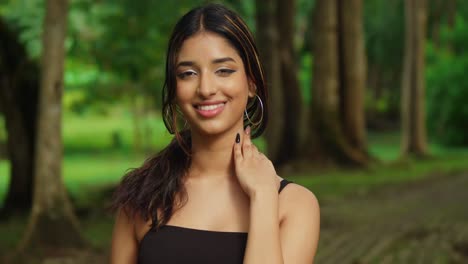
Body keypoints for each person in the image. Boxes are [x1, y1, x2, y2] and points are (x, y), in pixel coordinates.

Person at [110, 3, 319, 264]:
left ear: (251, 82)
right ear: (175, 88)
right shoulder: (142, 196)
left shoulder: (295, 204)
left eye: (224, 70)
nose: (206, 88)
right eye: (188, 73)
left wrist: (263, 196)